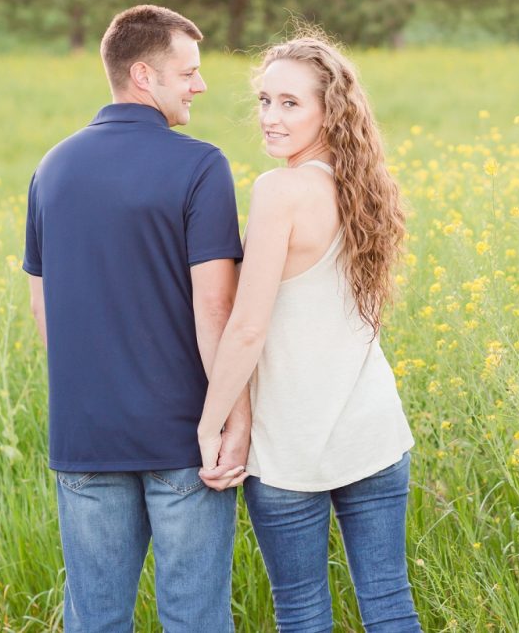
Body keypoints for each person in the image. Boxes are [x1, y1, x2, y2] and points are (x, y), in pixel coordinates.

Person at [23, 5, 250, 633]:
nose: (199, 86)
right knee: (194, 619)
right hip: (185, 439)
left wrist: (90, 396)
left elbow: (43, 306)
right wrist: (231, 420)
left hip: (85, 438)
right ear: (145, 75)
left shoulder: (52, 167)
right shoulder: (201, 165)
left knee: (94, 619)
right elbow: (215, 307)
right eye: (189, 72)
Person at [197, 34, 422, 633]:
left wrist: (211, 420)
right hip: (373, 431)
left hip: (289, 444)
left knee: (300, 613)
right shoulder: (362, 187)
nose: (270, 117)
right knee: (390, 604)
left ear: (330, 110)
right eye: (266, 101)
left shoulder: (280, 191)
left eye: (290, 103)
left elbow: (246, 327)